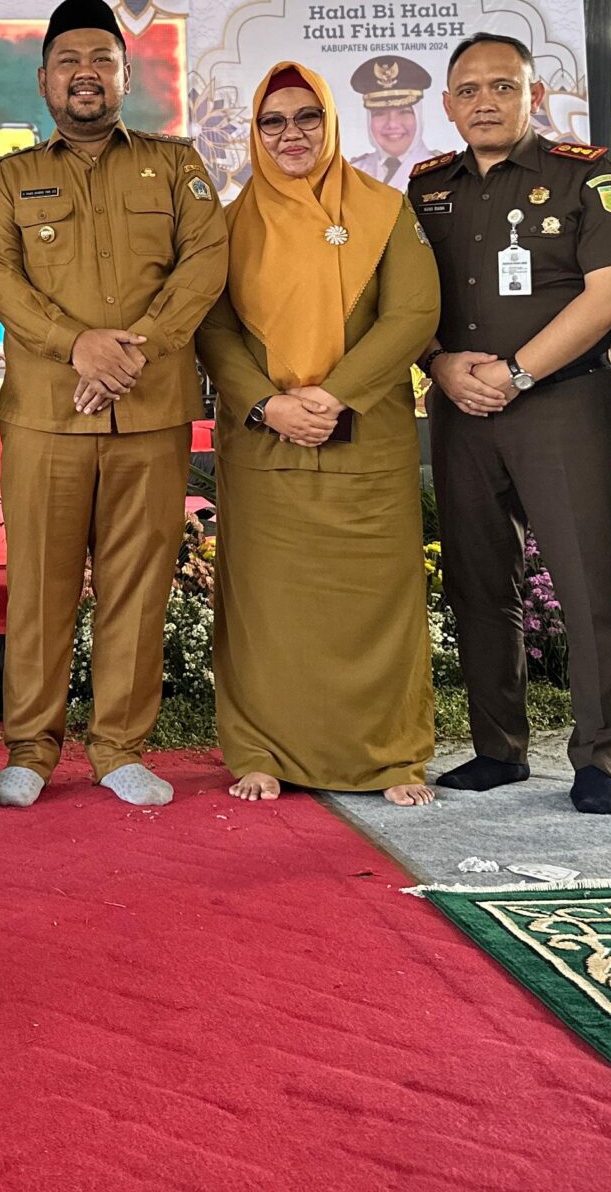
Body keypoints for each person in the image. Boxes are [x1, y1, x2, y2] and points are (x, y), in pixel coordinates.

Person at [0, 0, 228, 808]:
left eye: (102, 61)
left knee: (138, 585)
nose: (85, 74)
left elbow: (204, 264)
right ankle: (30, 748)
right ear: (44, 78)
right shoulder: (12, 178)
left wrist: (133, 349)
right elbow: (0, 281)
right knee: (39, 588)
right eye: (69, 62)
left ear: (125, 75)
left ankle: (120, 746)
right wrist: (76, 345)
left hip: (149, 411)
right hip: (47, 415)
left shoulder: (177, 166)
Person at [409, 33, 611, 815]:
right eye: (469, 90)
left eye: (503, 86)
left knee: (586, 583)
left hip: (561, 405)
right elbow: (406, 299)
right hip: (462, 409)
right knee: (479, 584)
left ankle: (600, 757)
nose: (486, 102)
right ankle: (498, 748)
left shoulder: (585, 176)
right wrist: (439, 363)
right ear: (448, 105)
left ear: (534, 96)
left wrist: (516, 374)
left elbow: (610, 294)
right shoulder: (426, 190)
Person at [197, 62, 441, 805]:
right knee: (266, 608)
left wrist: (332, 395)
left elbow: (413, 315)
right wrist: (267, 405)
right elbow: (214, 328)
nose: (291, 134)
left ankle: (390, 757)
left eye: (307, 117)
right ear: (255, 133)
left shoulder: (384, 209)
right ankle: (261, 749)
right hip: (264, 442)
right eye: (273, 121)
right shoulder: (228, 225)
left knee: (377, 604)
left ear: (331, 122)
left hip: (365, 437)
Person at [346, 54, 437, 188]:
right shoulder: (352, 172)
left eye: (404, 112)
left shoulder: (443, 171)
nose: (392, 124)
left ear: (418, 116)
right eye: (380, 113)